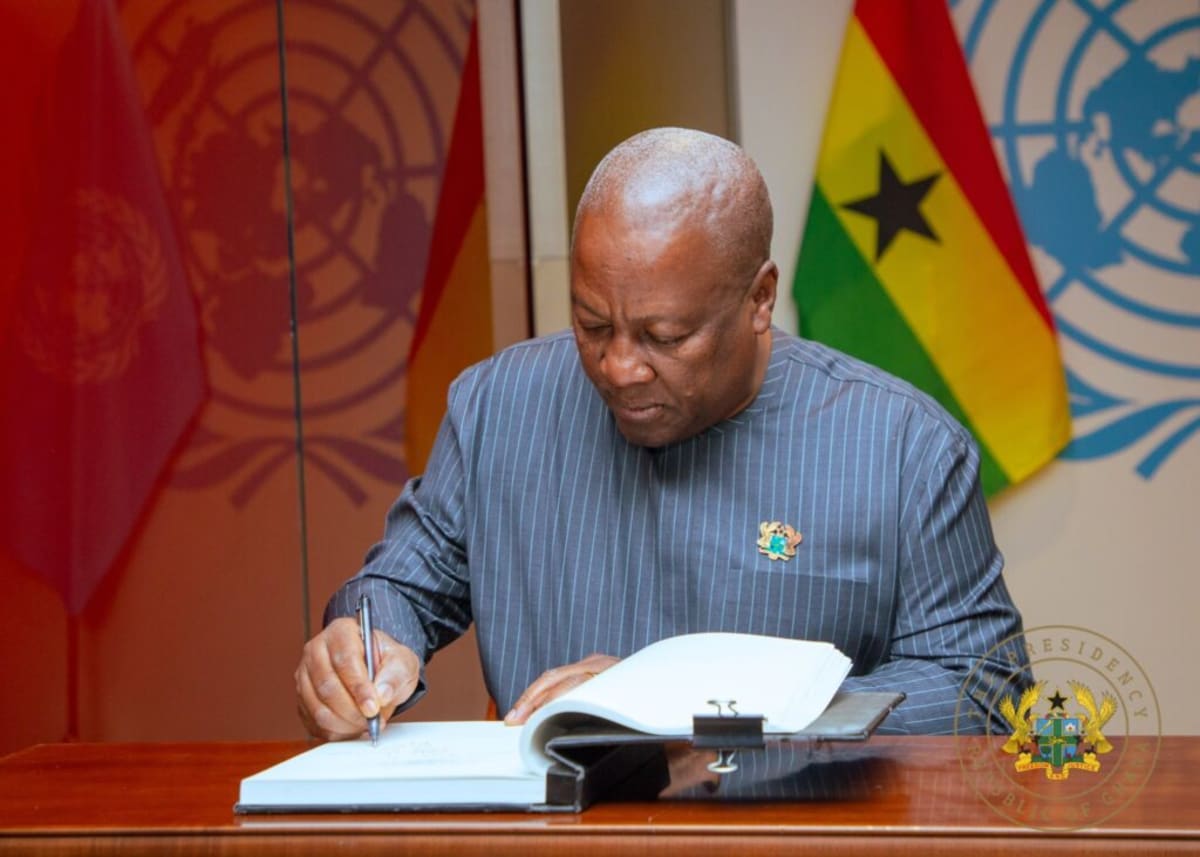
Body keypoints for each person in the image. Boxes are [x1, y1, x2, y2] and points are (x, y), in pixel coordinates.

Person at [295, 127, 1027, 743]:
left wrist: (710, 711)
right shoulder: (496, 407)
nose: (618, 366)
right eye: (591, 325)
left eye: (664, 336)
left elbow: (984, 692)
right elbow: (399, 584)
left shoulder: (903, 448)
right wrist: (366, 643)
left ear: (760, 298)